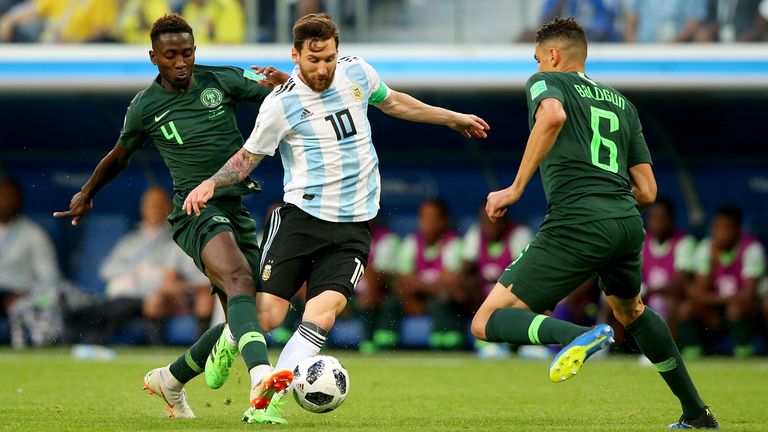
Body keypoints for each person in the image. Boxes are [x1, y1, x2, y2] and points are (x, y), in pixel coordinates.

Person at [182, 13, 489, 424]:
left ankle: (266, 402)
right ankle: (227, 339)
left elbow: (393, 100)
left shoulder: (357, 72)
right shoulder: (280, 103)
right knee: (269, 316)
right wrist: (210, 184)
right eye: (313, 60)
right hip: (300, 221)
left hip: (355, 227)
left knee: (322, 315)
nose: (323, 68)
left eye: (328, 58)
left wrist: (450, 117)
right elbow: (247, 160)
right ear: (295, 55)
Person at [471, 17, 718, 429]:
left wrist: (513, 189)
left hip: (577, 221)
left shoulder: (544, 84)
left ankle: (576, 336)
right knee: (631, 309)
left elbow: (551, 117)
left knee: (485, 321)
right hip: (625, 220)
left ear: (552, 55)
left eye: (537, 59)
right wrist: (609, 203)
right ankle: (696, 413)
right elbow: (649, 191)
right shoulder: (623, 104)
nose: (535, 67)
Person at [53, 13, 291, 422]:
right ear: (154, 57)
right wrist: (86, 192)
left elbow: (282, 100)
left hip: (236, 208)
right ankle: (261, 378)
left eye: (187, 53)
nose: (181, 62)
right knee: (237, 280)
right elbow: (119, 156)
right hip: (194, 212)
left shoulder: (221, 80)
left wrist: (285, 83)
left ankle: (171, 378)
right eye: (171, 56)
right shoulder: (145, 106)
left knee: (249, 312)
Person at [65, 186, 211, 346]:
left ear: (169, 207)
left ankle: (92, 336)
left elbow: (187, 278)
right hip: (130, 293)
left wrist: (156, 277)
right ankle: (81, 332)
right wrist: (135, 273)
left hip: (160, 296)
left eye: (158, 204)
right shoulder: (131, 240)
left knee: (131, 304)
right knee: (112, 305)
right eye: (149, 204)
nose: (153, 209)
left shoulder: (176, 239)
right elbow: (107, 270)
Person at [678, 205, 765, 359]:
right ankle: (692, 355)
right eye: (717, 228)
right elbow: (699, 292)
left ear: (738, 229)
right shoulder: (706, 248)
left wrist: (711, 298)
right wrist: (713, 261)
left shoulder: (752, 249)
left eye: (726, 228)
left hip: (747, 313)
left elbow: (747, 295)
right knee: (687, 308)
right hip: (716, 314)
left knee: (735, 308)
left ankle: (744, 353)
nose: (721, 234)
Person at [395, 199, 466, 350]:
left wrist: (418, 283)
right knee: (394, 300)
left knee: (445, 297)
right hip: (417, 301)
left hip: (442, 301)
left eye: (433, 218)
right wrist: (432, 286)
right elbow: (402, 280)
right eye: (424, 217)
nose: (428, 223)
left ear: (443, 220)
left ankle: (448, 342)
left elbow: (450, 282)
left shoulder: (453, 243)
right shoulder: (411, 242)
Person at [0, 178, 62, 349]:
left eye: (8, 196)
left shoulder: (34, 235)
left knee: (47, 301)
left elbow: (49, 278)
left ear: (19, 200)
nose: (3, 201)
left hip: (18, 294)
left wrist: (28, 294)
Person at [623, 0, 707, 43]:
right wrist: (635, 49)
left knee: (704, 34)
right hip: (643, 50)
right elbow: (630, 19)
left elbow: (693, 23)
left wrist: (670, 44)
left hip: (676, 50)